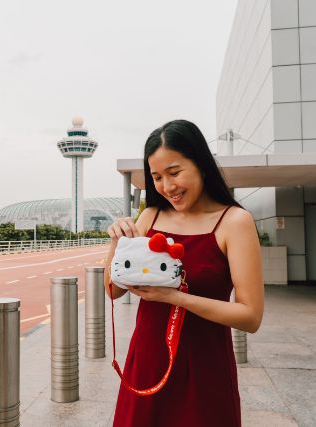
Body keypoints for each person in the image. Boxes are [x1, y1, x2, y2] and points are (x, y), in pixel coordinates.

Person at [105, 119, 264, 427]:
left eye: (175, 173)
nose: (167, 187)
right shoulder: (150, 215)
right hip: (147, 363)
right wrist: (116, 244)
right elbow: (113, 291)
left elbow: (250, 316)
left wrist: (175, 298)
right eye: (158, 178)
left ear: (201, 164)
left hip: (205, 368)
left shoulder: (234, 222)